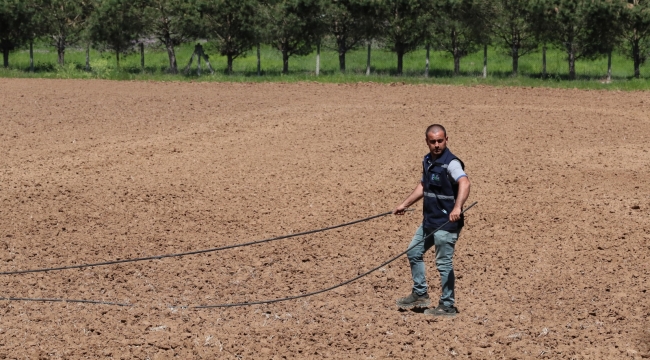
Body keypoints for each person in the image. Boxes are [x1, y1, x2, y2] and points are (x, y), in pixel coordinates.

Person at [393, 124, 470, 316]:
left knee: (443, 263)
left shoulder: (451, 163)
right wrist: (405, 204)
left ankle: (447, 305)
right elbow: (423, 185)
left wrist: (457, 207)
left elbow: (464, 182)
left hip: (447, 223)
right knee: (413, 252)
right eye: (432, 141)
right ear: (427, 141)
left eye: (440, 141)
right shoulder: (427, 160)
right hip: (430, 221)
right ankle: (420, 293)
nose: (436, 145)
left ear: (446, 140)